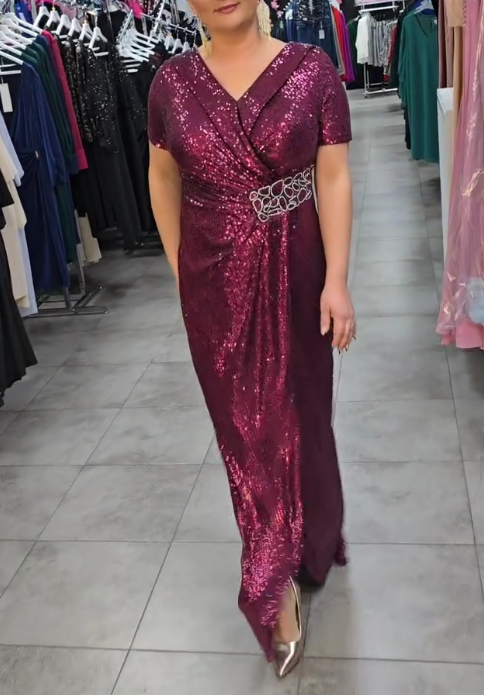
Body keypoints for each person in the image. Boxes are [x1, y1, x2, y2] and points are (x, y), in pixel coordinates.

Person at [148, 0, 355, 678]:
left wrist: (337, 281)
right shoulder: (170, 83)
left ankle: (315, 537)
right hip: (213, 284)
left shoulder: (312, 69)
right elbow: (161, 176)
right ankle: (273, 584)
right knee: (248, 435)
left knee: (304, 419)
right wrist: (181, 269)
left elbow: (333, 174)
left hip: (298, 269)